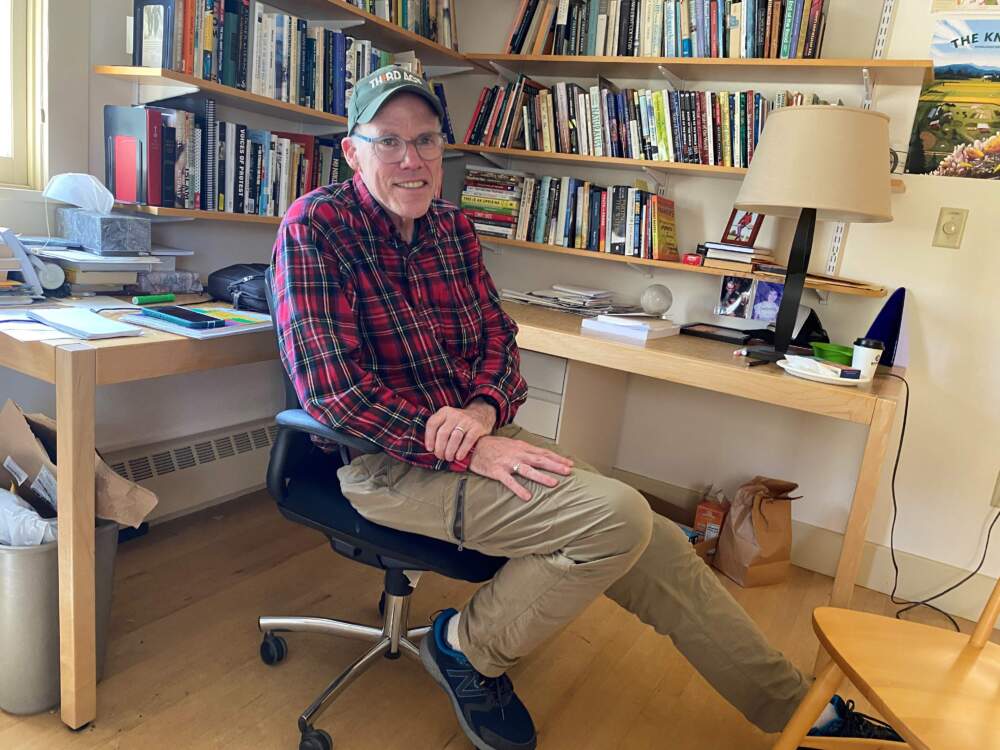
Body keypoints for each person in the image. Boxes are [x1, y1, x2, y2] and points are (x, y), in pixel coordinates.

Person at [271, 65, 904, 750]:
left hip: (483, 437)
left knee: (657, 539)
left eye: (426, 141)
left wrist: (484, 411)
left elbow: (496, 341)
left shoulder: (451, 227)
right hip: (390, 464)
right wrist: (468, 445)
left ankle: (800, 714)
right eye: (388, 141)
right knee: (618, 517)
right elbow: (333, 390)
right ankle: (466, 646)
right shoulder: (315, 227)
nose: (412, 160)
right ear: (352, 150)